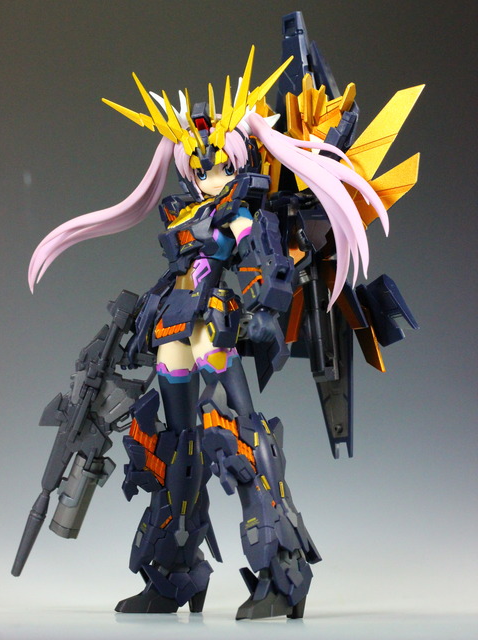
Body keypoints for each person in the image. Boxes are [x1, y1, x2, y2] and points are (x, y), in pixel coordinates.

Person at [27, 47, 388, 619]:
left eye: (217, 163)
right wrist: (133, 323)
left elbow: (266, 264)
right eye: (197, 166)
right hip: (174, 332)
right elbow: (176, 276)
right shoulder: (181, 214)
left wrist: (249, 294)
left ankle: (283, 575)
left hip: (212, 332)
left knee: (236, 435)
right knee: (171, 447)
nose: (206, 174)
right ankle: (175, 576)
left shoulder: (244, 213)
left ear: (237, 159)